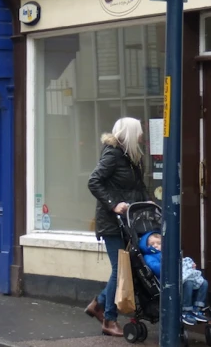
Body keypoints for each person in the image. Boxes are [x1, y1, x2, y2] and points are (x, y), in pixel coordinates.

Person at [85, 117, 150, 337]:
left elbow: (137, 187)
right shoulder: (113, 154)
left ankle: (99, 304)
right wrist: (114, 205)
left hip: (128, 222)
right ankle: (109, 320)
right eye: (139, 132)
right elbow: (94, 181)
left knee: (127, 267)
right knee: (120, 269)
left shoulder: (132, 156)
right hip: (112, 224)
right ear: (130, 133)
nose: (141, 136)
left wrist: (148, 201)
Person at [139, 232, 208, 326]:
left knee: (204, 283)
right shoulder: (149, 257)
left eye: (158, 243)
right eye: (151, 244)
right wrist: (170, 264)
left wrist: (189, 265)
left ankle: (198, 309)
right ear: (146, 246)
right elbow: (156, 268)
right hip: (166, 280)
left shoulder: (169, 253)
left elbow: (181, 262)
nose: (155, 246)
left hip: (178, 275)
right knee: (189, 283)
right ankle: (186, 310)